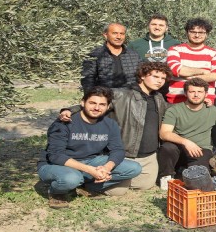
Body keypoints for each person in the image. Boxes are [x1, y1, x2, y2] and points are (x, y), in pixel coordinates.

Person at [59, 62, 172, 192]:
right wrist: (70, 110)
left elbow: (173, 110)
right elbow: (95, 104)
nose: (159, 81)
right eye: (155, 77)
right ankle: (88, 182)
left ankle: (119, 178)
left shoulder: (158, 98)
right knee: (117, 191)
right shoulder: (120, 94)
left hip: (148, 157)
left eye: (163, 78)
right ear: (142, 76)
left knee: (144, 185)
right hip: (124, 155)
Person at [38, 87, 142, 208]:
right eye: (92, 103)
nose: (97, 108)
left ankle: (85, 186)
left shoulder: (110, 124)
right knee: (71, 178)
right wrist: (89, 170)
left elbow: (118, 150)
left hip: (91, 160)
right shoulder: (64, 122)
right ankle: (57, 192)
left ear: (108, 107)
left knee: (134, 168)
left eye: (102, 104)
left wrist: (106, 168)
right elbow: (55, 155)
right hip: (57, 164)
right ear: (82, 102)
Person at [157, 78, 216, 190]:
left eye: (200, 92)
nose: (196, 95)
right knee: (167, 148)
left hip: (200, 149)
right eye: (192, 92)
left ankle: (184, 170)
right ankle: (166, 176)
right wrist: (185, 142)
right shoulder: (174, 110)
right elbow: (164, 133)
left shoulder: (215, 111)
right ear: (186, 93)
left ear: (206, 94)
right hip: (178, 148)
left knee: (197, 179)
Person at [166, 18, 216, 104]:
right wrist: (203, 71)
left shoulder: (214, 54)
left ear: (207, 34)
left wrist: (189, 78)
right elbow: (175, 69)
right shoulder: (175, 50)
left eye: (201, 32)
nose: (197, 35)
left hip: (205, 101)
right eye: (193, 32)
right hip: (177, 100)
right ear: (187, 33)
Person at [81, 23, 142, 93]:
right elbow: (88, 79)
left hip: (131, 98)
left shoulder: (134, 55)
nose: (119, 37)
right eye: (115, 33)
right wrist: (90, 96)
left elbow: (142, 76)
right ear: (105, 35)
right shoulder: (95, 55)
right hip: (105, 97)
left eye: (122, 34)